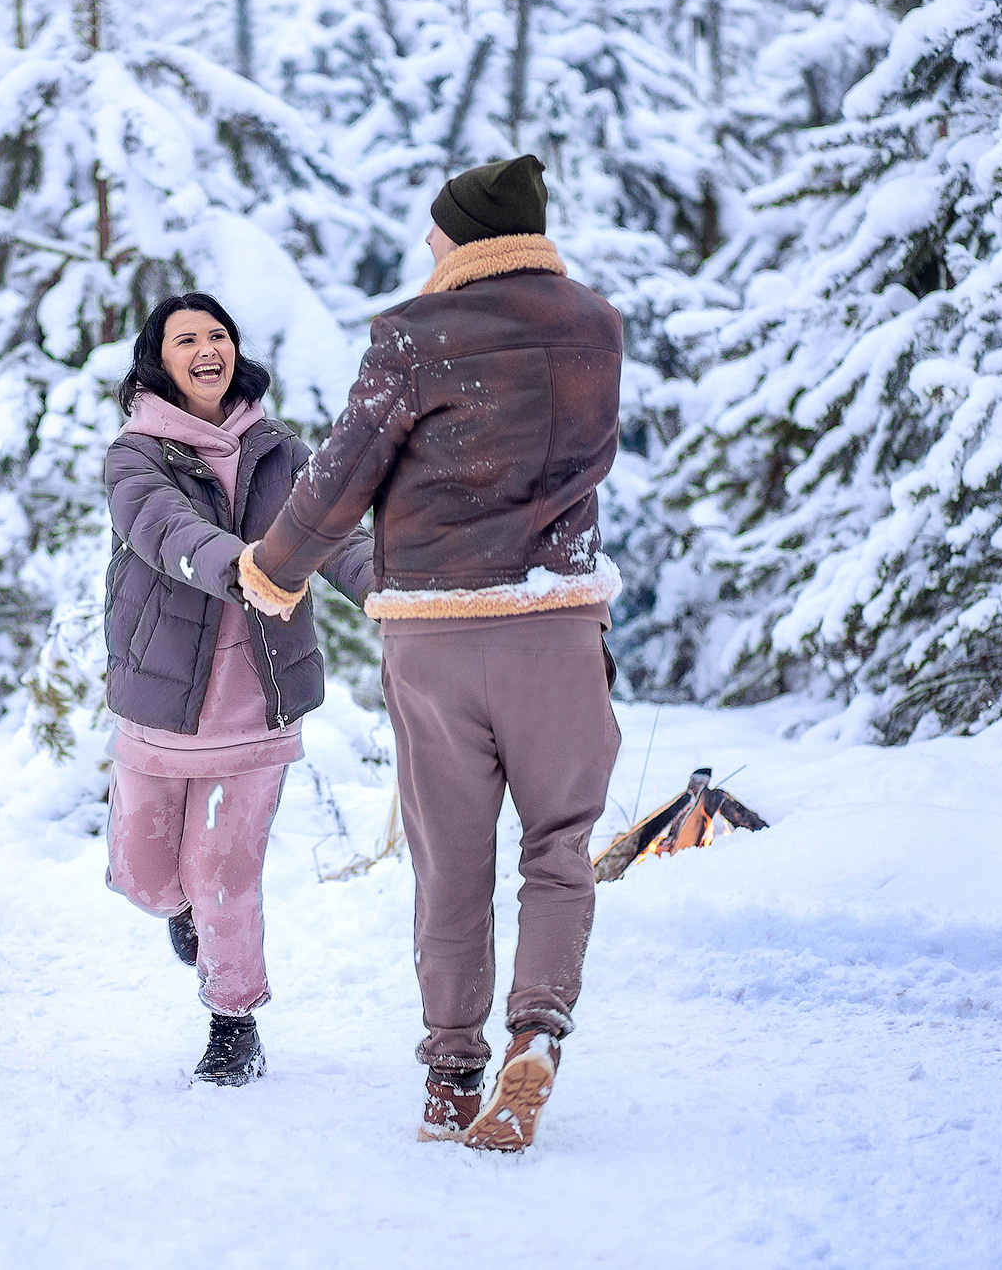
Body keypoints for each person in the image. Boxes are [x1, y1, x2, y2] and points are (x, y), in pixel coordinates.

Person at [238, 156, 623, 1150]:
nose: (425, 245)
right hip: (557, 621)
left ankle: (450, 1076)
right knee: (557, 850)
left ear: (472, 238)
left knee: (451, 863)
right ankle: (534, 1034)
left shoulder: (414, 338)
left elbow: (339, 476)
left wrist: (274, 570)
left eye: (437, 229)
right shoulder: (594, 325)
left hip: (438, 636)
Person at [102, 292, 374, 1086]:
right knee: (150, 877)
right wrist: (245, 568)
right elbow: (163, 531)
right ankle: (183, 913)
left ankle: (233, 1019)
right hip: (159, 703)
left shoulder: (278, 450)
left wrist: (386, 589)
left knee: (225, 873)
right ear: (159, 359)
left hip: (257, 704)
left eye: (217, 334)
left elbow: (332, 534)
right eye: (186, 338)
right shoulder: (134, 455)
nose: (206, 347)